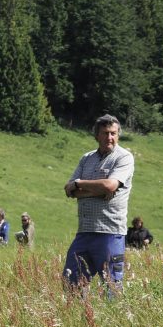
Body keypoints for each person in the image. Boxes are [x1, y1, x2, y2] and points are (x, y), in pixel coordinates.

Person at [62, 114, 135, 295]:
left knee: (111, 287)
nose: (109, 138)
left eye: (113, 133)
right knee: (71, 282)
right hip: (85, 231)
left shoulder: (124, 157)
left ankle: (114, 322)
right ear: (97, 135)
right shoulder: (86, 158)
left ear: (118, 135)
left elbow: (110, 185)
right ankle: (79, 320)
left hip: (110, 233)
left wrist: (80, 185)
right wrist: (94, 188)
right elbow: (69, 189)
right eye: (105, 133)